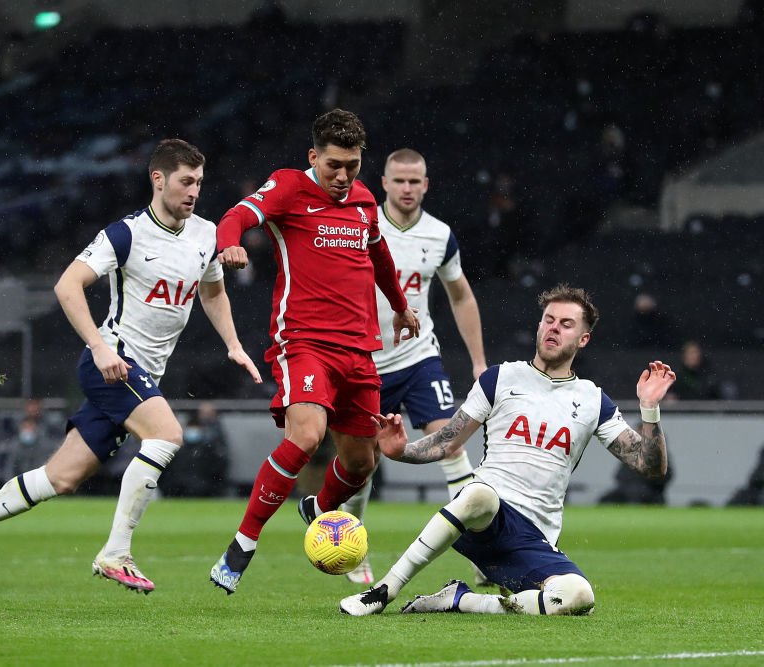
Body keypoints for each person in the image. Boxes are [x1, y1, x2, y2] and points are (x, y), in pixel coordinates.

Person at [0, 138, 262, 593]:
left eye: (199, 181)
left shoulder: (206, 234)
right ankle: (116, 552)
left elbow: (211, 291)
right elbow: (67, 286)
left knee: (59, 478)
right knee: (168, 434)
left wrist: (233, 344)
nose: (193, 190)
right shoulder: (126, 233)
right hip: (113, 363)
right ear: (158, 179)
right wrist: (101, 347)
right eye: (185, 181)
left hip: (142, 375)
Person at [339, 284, 674, 616]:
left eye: (566, 324)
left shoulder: (592, 399)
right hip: (483, 518)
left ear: (583, 339)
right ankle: (384, 590)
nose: (553, 327)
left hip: (533, 540)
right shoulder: (500, 378)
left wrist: (649, 408)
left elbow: (650, 465)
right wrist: (401, 451)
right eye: (548, 319)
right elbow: (447, 441)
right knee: (480, 494)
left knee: (579, 596)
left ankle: (462, 600)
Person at [209, 109, 420, 594]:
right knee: (307, 435)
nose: (343, 177)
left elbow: (379, 255)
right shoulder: (287, 187)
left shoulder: (365, 200)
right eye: (333, 166)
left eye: (352, 165)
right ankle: (243, 542)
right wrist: (231, 244)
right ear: (313, 157)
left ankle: (319, 511)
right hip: (304, 341)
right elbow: (236, 215)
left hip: (360, 348)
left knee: (363, 461)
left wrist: (401, 307)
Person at [339, 148, 488, 586]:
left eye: (415, 181)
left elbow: (460, 295)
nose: (407, 188)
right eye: (399, 181)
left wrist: (479, 361)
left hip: (420, 356)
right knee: (361, 462)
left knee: (451, 443)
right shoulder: (358, 223)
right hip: (365, 360)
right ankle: (351, 546)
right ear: (383, 182)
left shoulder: (440, 235)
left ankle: (481, 550)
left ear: (426, 185)